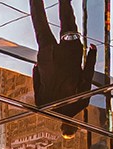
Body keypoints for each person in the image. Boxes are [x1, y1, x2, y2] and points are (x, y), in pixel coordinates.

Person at [30, 0, 97, 138]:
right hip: (48, 59)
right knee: (40, 23)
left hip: (70, 55)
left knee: (67, 18)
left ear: (75, 124)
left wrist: (92, 54)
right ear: (62, 125)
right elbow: (37, 84)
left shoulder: (81, 104)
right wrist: (36, 69)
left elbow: (87, 77)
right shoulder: (44, 107)